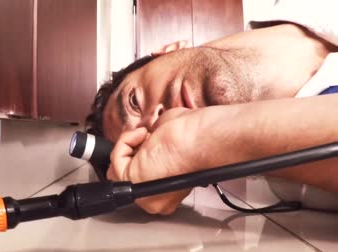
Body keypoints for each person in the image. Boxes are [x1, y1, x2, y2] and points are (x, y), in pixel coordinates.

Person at [85, 0, 338, 215]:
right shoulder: (309, 188)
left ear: (167, 51)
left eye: (135, 102)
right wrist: (195, 139)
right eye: (148, 142)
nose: (158, 120)